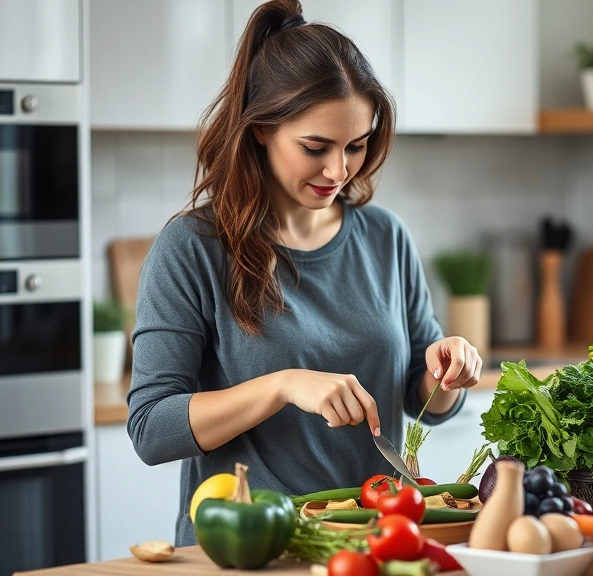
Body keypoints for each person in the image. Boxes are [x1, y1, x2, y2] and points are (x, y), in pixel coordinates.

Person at [126, 0, 482, 546]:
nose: (339, 171)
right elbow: (151, 429)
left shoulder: (386, 237)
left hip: (375, 544)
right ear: (262, 129)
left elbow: (420, 399)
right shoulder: (192, 248)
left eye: (356, 146)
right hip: (252, 548)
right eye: (315, 148)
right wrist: (282, 385)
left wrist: (445, 371)